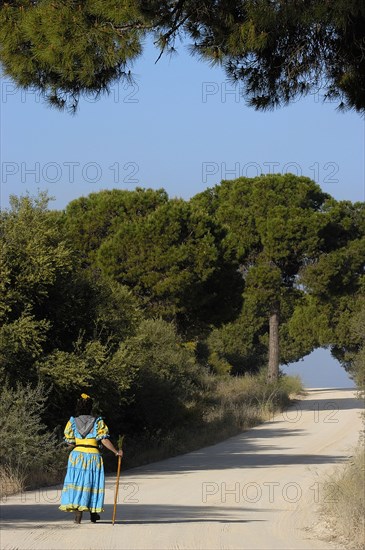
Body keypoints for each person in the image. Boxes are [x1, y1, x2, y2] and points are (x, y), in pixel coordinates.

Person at [59, 393, 123, 524]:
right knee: (92, 482)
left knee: (78, 483)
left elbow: (70, 442)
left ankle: (78, 516)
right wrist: (116, 452)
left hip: (76, 456)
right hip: (93, 456)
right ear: (90, 407)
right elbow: (104, 440)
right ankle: (94, 514)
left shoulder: (72, 422)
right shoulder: (98, 421)